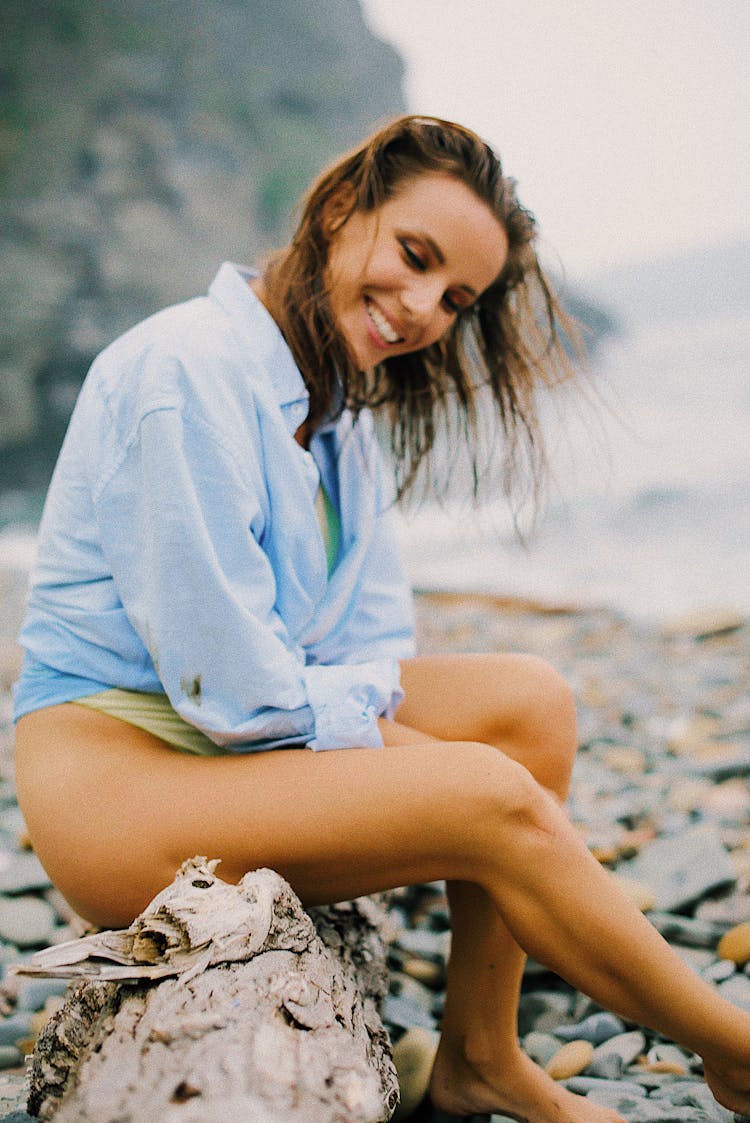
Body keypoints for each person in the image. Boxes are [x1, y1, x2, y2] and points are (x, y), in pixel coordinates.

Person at [11, 115, 750, 1123]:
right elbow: (236, 694)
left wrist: (426, 761)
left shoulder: (339, 417)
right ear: (340, 208)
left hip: (222, 743)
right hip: (113, 781)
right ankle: (731, 1047)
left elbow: (365, 651)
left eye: (457, 298)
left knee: (529, 706)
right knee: (489, 791)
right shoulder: (184, 372)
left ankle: (480, 1056)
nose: (423, 310)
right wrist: (440, 775)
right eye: (414, 256)